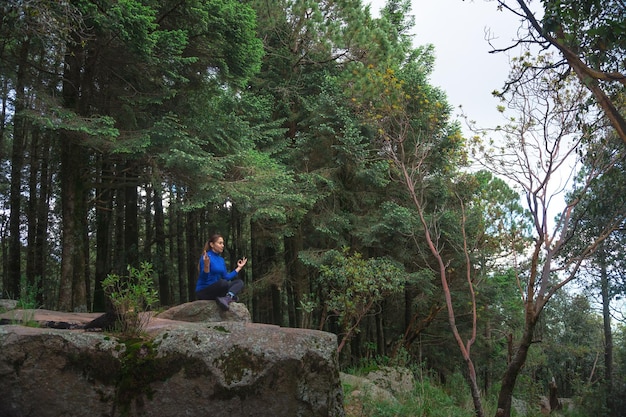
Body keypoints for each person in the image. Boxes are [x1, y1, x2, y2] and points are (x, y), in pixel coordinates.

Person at [195, 234, 247, 311]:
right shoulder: (206, 257)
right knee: (223, 283)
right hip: (204, 291)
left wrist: (239, 267)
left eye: (223, 243)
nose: (222, 245)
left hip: (217, 290)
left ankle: (227, 298)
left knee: (239, 282)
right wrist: (206, 265)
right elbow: (204, 277)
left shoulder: (221, 260)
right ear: (212, 244)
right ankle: (230, 297)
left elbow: (226, 277)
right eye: (220, 243)